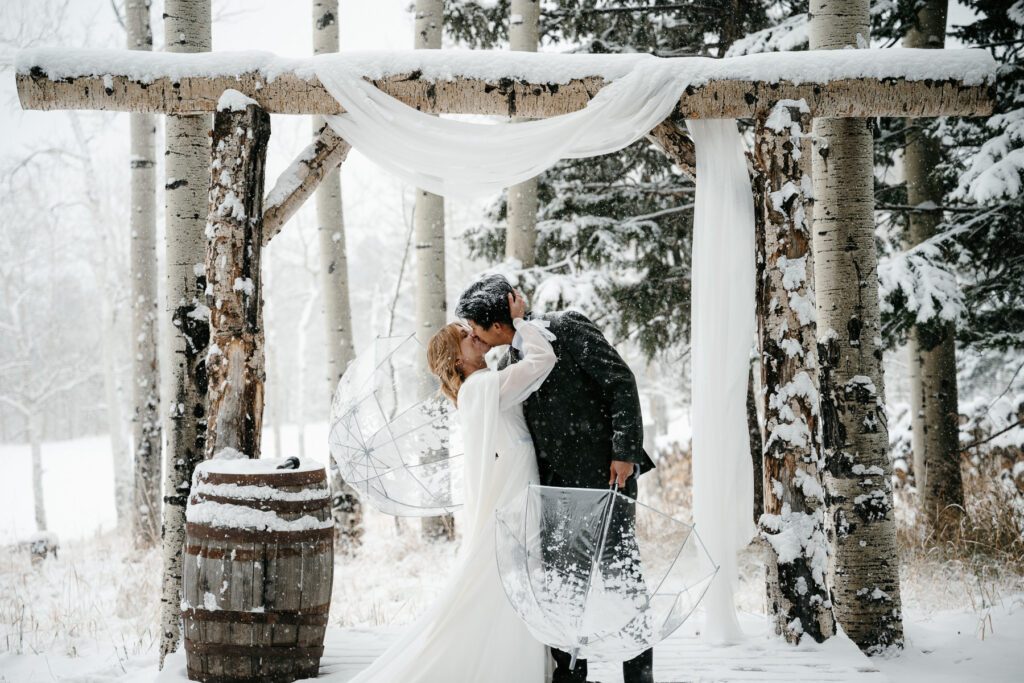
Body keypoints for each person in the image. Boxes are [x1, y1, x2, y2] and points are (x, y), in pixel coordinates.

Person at [455, 274, 656, 683]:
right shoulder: (511, 362)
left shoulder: (565, 327)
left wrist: (624, 453)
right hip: (553, 493)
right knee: (562, 589)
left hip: (606, 480)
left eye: (475, 328)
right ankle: (570, 677)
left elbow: (621, 381)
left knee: (622, 580)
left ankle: (639, 676)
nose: (472, 335)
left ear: (496, 326)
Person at [347, 289, 553, 683]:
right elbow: (544, 359)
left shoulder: (481, 386)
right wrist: (521, 321)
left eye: (470, 330)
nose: (474, 334)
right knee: (507, 576)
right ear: (457, 357)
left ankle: (511, 661)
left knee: (514, 575)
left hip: (516, 480)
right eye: (465, 335)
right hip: (512, 488)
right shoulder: (480, 389)